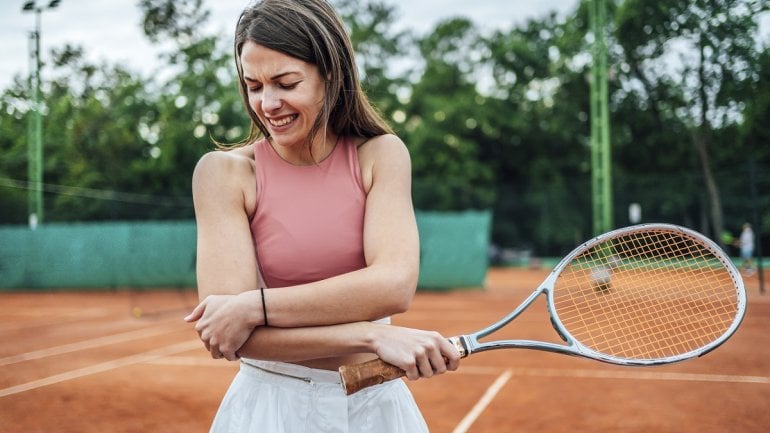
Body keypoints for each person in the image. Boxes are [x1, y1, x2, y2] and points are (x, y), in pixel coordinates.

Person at [183, 1, 461, 432]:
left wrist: (252, 306)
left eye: (286, 83)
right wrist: (371, 336)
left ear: (330, 75)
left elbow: (393, 285)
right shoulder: (223, 174)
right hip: (271, 410)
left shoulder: (381, 154)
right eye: (253, 85)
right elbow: (230, 336)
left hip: (375, 409)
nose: (268, 103)